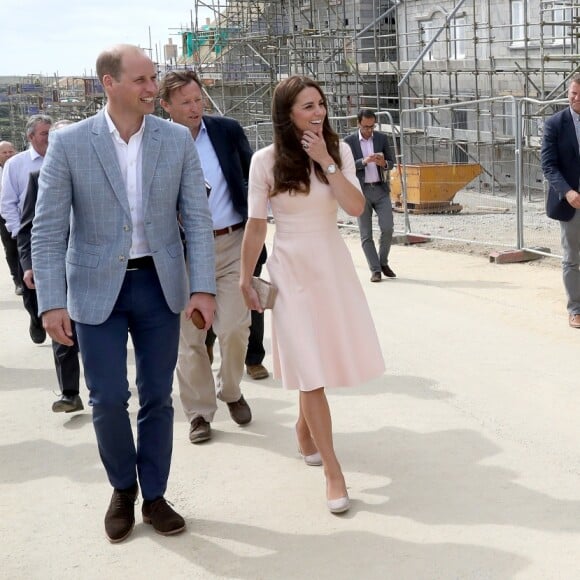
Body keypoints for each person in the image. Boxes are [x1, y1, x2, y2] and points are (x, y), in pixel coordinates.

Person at [31, 45, 216, 543]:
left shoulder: (175, 140)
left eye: (153, 78)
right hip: (95, 290)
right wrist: (51, 300)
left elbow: (197, 221)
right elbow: (47, 231)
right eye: (140, 79)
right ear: (108, 84)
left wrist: (203, 288)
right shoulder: (70, 143)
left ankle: (154, 496)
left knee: (157, 396)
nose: (152, 87)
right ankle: (123, 488)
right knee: (108, 398)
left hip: (159, 285)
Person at [240, 76, 385, 514]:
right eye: (308, 106)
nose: (318, 112)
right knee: (310, 369)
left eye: (321, 104)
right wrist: (245, 278)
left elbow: (357, 208)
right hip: (290, 272)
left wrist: (327, 161)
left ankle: (305, 430)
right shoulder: (264, 161)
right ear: (287, 114)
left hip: (331, 267)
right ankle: (333, 472)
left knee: (319, 361)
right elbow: (256, 224)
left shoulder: (337, 150)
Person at [159, 69, 264, 444]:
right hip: (184, 253)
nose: (194, 107)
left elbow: (253, 175)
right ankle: (200, 413)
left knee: (235, 328)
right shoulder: (156, 142)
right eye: (185, 102)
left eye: (198, 99)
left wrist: (259, 216)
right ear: (166, 106)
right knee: (190, 337)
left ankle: (231, 390)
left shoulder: (226, 130)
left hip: (232, 242)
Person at [18, 120, 84, 414]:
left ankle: (107, 388)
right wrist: (29, 265)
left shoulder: (98, 173)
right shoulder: (37, 177)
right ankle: (70, 393)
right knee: (61, 327)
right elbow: (28, 228)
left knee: (98, 332)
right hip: (56, 266)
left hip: (93, 268)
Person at [1, 115, 52, 343]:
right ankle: (35, 316)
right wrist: (17, 233)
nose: (49, 139)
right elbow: (7, 203)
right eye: (44, 134)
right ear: (31, 137)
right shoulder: (16, 164)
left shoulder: (62, 159)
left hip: (59, 234)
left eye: (52, 133)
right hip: (27, 235)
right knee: (30, 285)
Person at [541, 72, 580, 329]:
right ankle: (575, 309)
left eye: (579, 95)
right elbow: (548, 164)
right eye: (572, 93)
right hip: (572, 202)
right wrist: (567, 191)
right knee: (572, 257)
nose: (574, 98)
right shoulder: (555, 123)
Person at [344, 109, 396, 282]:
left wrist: (384, 163)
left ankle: (383, 262)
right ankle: (375, 270)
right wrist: (363, 162)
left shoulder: (381, 138)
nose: (369, 130)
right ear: (358, 124)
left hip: (380, 190)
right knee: (366, 234)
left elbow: (391, 162)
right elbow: (346, 166)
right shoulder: (349, 142)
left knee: (387, 228)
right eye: (365, 127)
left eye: (372, 126)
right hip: (361, 191)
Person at [0, 141, 20, 295]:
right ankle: (17, 280)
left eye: (10, 151)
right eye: (4, 152)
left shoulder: (18, 166)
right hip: (3, 215)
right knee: (11, 248)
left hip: (21, 212)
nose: (7, 154)